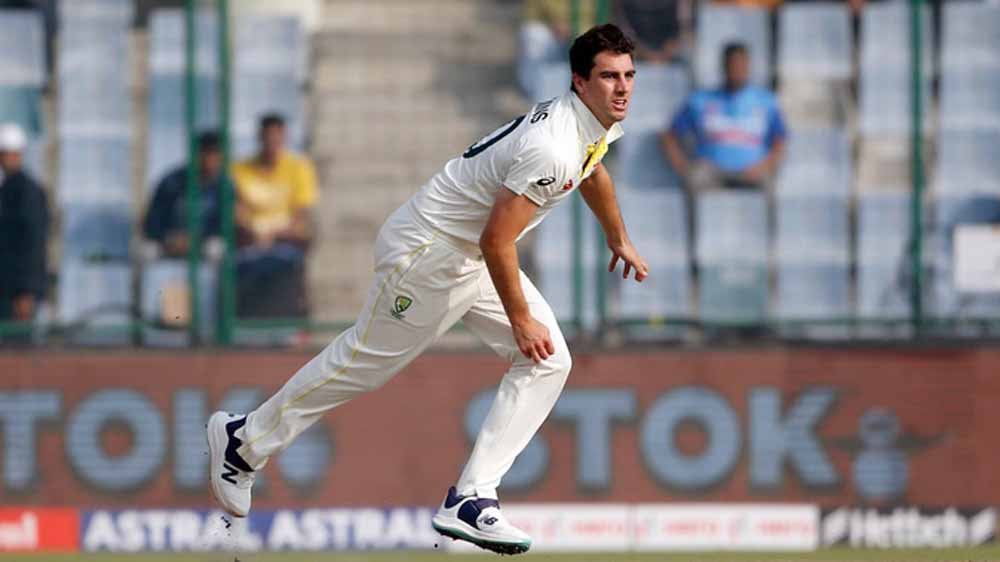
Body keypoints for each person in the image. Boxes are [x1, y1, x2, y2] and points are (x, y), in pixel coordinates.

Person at [206, 24, 649, 555]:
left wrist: (618, 237)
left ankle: (472, 497)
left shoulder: (587, 127)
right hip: (429, 252)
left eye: (628, 76)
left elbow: (593, 170)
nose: (622, 88)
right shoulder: (551, 148)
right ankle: (243, 442)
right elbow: (497, 241)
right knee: (363, 363)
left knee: (549, 362)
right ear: (580, 82)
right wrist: (520, 320)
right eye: (609, 77)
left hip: (465, 253)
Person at [662, 42, 787, 194]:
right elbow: (669, 136)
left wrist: (765, 166)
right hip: (712, 170)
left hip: (752, 170)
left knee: (770, 185)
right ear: (724, 66)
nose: (737, 70)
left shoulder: (766, 101)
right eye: (733, 65)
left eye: (741, 65)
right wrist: (684, 167)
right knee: (694, 179)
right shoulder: (700, 100)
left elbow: (780, 140)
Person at [231, 113, 318, 317]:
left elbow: (301, 215)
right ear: (259, 137)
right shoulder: (239, 170)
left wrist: (272, 235)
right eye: (267, 137)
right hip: (249, 241)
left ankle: (295, 316)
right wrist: (254, 233)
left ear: (284, 137)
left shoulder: (299, 168)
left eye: (276, 137)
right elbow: (237, 211)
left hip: (285, 241)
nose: (272, 143)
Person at [143, 131, 225, 258]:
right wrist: (169, 238)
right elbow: (152, 220)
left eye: (215, 155)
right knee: (146, 251)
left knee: (217, 249)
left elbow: (224, 226)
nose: (210, 160)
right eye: (206, 153)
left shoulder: (223, 186)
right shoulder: (171, 182)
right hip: (170, 242)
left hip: (203, 243)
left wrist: (197, 239)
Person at [0, 123, 48, 327]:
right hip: (6, 287)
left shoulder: (27, 191)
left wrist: (26, 291)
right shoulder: (7, 188)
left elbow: (33, 244)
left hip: (17, 292)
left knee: (17, 342)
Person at [517, 0, 600, 98]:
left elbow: (593, 15)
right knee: (535, 35)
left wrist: (578, 32)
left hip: (581, 31)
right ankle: (535, 91)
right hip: (549, 29)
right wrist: (556, 22)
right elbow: (536, 11)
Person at [613, 0, 692, 63]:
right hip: (636, 58)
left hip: (671, 58)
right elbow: (622, 28)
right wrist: (646, 54)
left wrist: (667, 52)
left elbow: (684, 26)